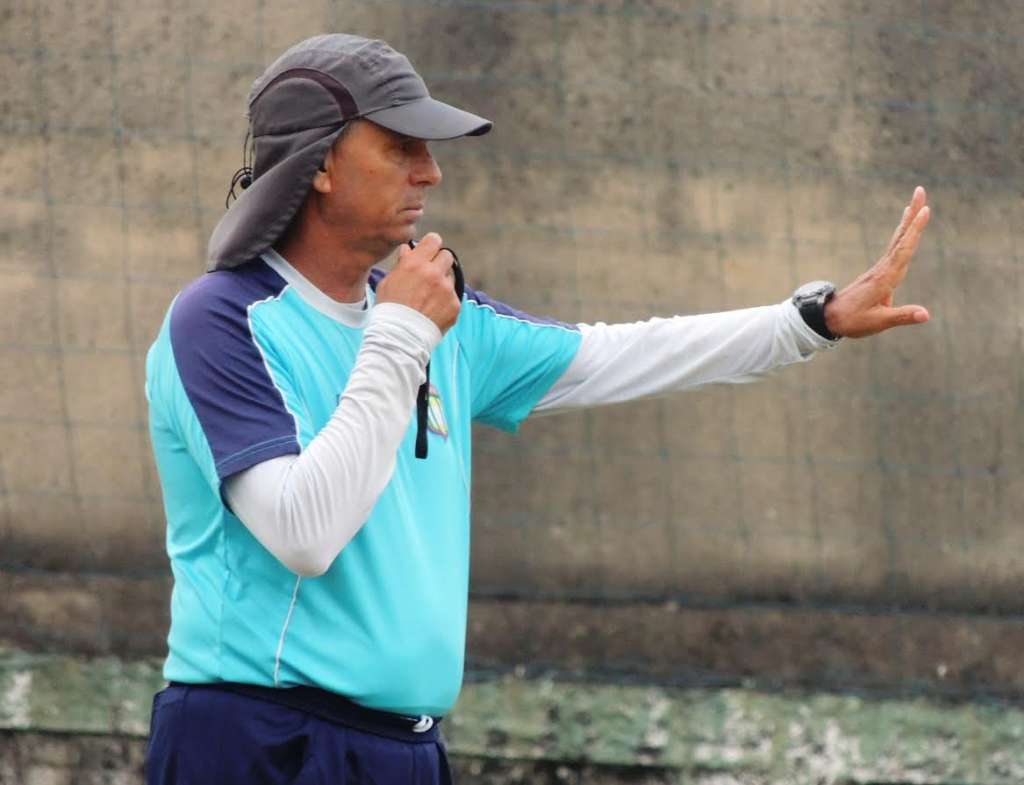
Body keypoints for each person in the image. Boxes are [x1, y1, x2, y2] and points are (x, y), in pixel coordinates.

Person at [143, 33, 931, 785]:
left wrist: (809, 320)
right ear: (318, 165)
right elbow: (305, 533)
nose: (431, 174)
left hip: (406, 749)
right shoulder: (222, 320)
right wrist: (402, 335)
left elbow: (618, 355)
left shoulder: (432, 316)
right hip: (258, 738)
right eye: (400, 148)